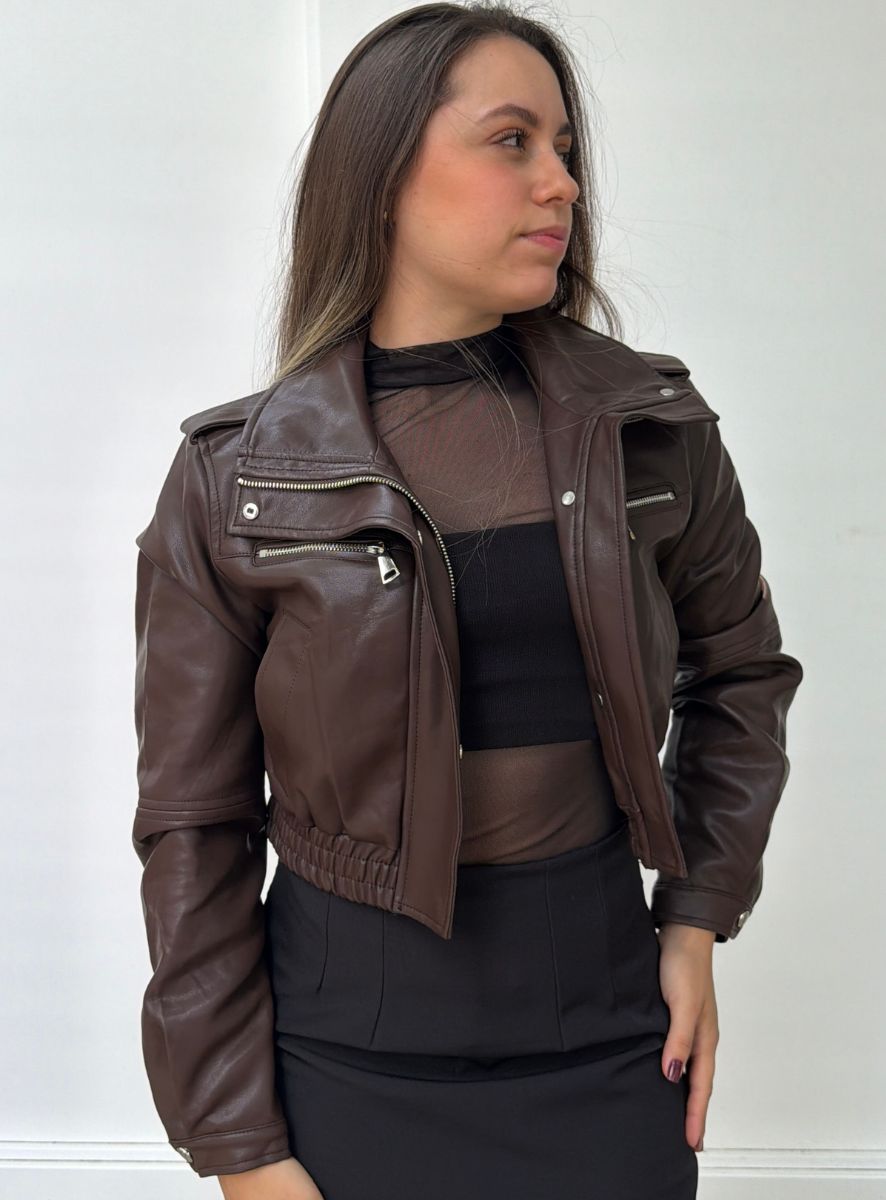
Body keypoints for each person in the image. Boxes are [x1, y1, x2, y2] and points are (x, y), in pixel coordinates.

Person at [131, 4, 804, 1198]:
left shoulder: (650, 431)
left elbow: (741, 674)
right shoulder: (236, 480)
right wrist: (239, 1143)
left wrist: (697, 914)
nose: (561, 184)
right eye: (511, 141)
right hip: (343, 1049)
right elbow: (194, 826)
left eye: (565, 150)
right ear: (383, 171)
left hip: (606, 1026)